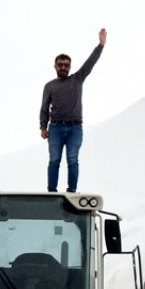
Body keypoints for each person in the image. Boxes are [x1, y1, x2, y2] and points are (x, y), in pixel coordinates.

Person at [40, 28, 106, 193]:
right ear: (55, 66)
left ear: (70, 67)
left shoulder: (77, 79)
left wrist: (101, 45)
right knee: (54, 160)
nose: (63, 67)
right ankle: (52, 192)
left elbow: (90, 63)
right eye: (60, 65)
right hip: (55, 128)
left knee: (72, 160)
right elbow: (44, 108)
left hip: (75, 128)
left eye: (66, 65)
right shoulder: (49, 86)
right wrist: (43, 127)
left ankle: (72, 192)